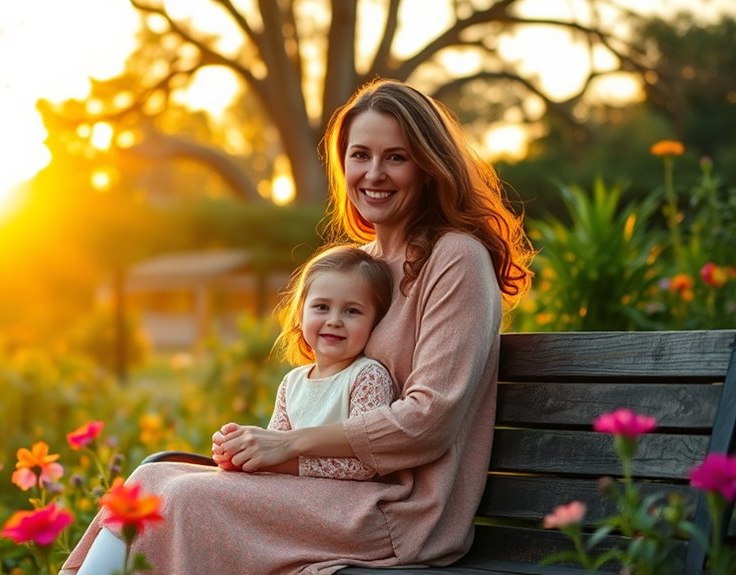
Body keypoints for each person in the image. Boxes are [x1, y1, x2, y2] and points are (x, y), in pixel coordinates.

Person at [61, 77, 534, 575]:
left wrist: (286, 445)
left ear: (429, 167)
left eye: (396, 156)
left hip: (399, 511)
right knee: (149, 481)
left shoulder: (455, 258)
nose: (374, 173)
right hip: (334, 488)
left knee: (189, 500)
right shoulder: (362, 267)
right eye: (360, 155)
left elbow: (429, 420)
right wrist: (261, 452)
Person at [254, 244, 396, 481]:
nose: (334, 320)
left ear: (376, 322)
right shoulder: (292, 383)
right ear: (300, 314)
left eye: (352, 311)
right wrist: (242, 450)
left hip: (341, 506)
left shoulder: (368, 376)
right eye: (322, 307)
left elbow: (366, 465)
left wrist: (289, 465)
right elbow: (272, 448)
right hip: (292, 495)